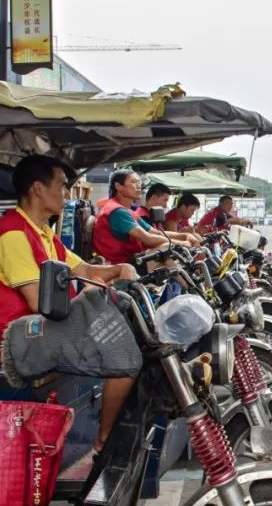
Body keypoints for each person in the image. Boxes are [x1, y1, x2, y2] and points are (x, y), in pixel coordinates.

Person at [0, 155, 138, 453]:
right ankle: (102, 441)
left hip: (43, 334)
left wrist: (120, 271)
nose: (66, 194)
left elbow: (85, 271)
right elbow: (39, 302)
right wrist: (90, 302)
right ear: (38, 189)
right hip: (21, 341)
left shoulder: (44, 232)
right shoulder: (13, 234)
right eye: (62, 186)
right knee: (124, 362)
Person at [93, 169, 193, 264]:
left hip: (130, 259)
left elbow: (155, 232)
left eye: (139, 182)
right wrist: (181, 243)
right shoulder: (117, 211)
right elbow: (148, 239)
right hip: (120, 263)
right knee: (164, 249)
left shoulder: (127, 211)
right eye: (133, 182)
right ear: (118, 186)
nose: (139, 186)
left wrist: (184, 236)